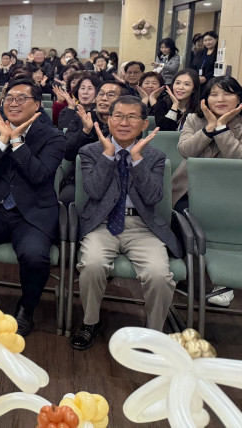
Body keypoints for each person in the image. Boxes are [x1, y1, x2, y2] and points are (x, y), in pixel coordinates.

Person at [71, 96, 182, 349]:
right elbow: (94, 191)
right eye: (118, 116)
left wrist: (137, 160)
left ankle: (153, 333)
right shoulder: (90, 152)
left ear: (144, 123)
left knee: (159, 275)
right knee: (92, 264)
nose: (124, 122)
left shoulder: (154, 156)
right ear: (108, 120)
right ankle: (90, 322)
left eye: (132, 117)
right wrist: (108, 156)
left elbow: (153, 197)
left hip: (143, 227)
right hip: (102, 224)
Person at [0, 78, 66, 336]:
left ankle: (26, 308)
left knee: (34, 255)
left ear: (37, 105)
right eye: (9, 98)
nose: (14, 103)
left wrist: (17, 142)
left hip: (34, 213)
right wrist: (2, 141)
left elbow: (39, 175)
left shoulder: (53, 137)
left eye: (21, 98)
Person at [175, 76, 242, 307]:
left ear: (238, 98)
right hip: (188, 189)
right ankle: (180, 267)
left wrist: (222, 128)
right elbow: (185, 150)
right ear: (205, 99)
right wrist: (209, 127)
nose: (220, 99)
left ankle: (223, 282)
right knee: (178, 214)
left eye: (227, 93)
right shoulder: (194, 118)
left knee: (226, 222)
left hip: (231, 195)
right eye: (214, 94)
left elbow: (238, 158)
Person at [61, 81, 127, 203]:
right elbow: (67, 152)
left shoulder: (126, 123)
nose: (104, 98)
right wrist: (86, 131)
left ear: (121, 101)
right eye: (101, 94)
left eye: (110, 95)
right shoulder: (82, 117)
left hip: (116, 178)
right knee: (66, 198)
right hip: (81, 176)